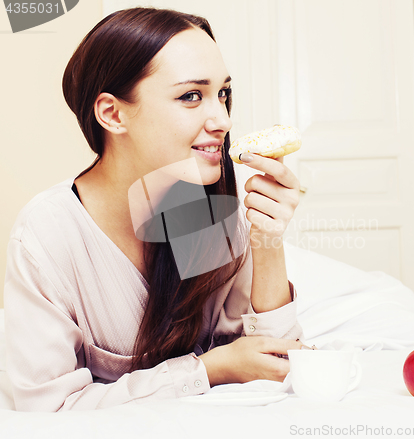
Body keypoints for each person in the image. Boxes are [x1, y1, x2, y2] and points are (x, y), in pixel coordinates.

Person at [3, 7, 304, 412]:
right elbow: (45, 410)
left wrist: (268, 240)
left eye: (223, 94)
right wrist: (205, 370)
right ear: (112, 113)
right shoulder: (48, 235)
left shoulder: (208, 208)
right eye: (191, 96)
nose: (222, 119)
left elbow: (275, 361)